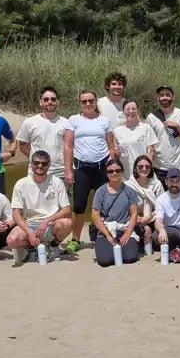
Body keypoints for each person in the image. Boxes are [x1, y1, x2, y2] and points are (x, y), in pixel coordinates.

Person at [64, 89, 118, 253]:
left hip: (102, 168)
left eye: (91, 101)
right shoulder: (73, 120)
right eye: (84, 101)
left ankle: (106, 236)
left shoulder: (104, 121)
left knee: (106, 206)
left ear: (96, 102)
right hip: (81, 169)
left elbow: (110, 147)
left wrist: (113, 167)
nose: (88, 104)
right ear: (80, 103)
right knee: (79, 206)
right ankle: (75, 239)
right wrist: (68, 170)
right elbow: (68, 146)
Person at [7, 150, 73, 265]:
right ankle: (31, 248)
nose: (40, 166)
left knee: (68, 223)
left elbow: (66, 209)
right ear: (31, 164)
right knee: (11, 240)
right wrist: (28, 231)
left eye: (44, 163)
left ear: (49, 165)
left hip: (50, 223)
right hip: (29, 223)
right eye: (36, 163)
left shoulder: (57, 182)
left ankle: (53, 245)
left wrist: (47, 220)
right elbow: (16, 213)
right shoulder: (21, 184)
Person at [91, 159, 141, 267]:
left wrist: (127, 234)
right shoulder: (100, 192)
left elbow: (134, 214)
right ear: (107, 173)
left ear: (122, 172)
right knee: (105, 261)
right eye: (111, 171)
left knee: (130, 257)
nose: (114, 173)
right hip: (107, 228)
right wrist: (108, 235)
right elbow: (95, 215)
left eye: (117, 170)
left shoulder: (130, 191)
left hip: (124, 228)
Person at [16, 86, 66, 184]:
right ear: (41, 102)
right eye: (46, 99)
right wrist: (37, 161)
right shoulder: (29, 122)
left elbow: (70, 147)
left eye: (53, 99)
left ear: (58, 102)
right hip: (36, 174)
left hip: (61, 174)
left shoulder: (66, 123)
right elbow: (22, 146)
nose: (49, 102)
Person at [145, 85, 180, 185]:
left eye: (167, 95)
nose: (164, 97)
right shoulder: (151, 117)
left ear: (173, 97)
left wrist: (178, 127)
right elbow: (149, 145)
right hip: (159, 167)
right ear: (158, 98)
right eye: (161, 95)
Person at [125, 154, 163, 247]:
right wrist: (136, 217)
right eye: (140, 166)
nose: (144, 169)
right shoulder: (128, 185)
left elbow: (163, 206)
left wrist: (149, 217)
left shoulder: (156, 184)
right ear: (135, 168)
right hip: (133, 219)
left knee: (148, 201)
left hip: (153, 219)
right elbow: (124, 207)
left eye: (147, 167)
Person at [112, 99, 156, 179]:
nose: (131, 111)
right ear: (123, 111)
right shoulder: (117, 131)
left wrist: (146, 168)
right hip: (126, 173)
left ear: (138, 110)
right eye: (128, 109)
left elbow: (150, 151)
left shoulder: (146, 128)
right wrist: (117, 153)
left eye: (133, 109)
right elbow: (116, 154)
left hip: (143, 171)